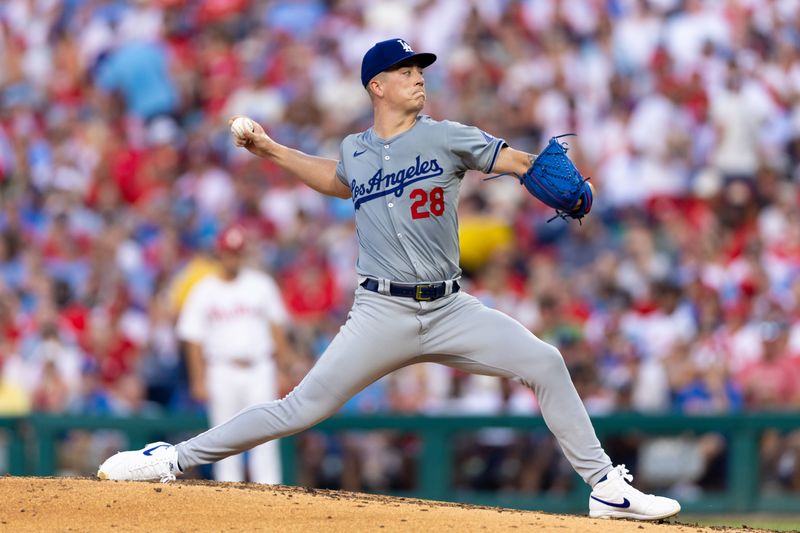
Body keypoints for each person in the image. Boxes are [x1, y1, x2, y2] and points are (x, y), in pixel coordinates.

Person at [98, 38, 680, 520]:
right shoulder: (357, 149)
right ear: (377, 86)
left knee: (546, 362)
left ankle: (605, 486)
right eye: (405, 72)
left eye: (419, 70)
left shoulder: (446, 135)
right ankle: (169, 459)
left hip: (451, 309)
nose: (418, 79)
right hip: (382, 313)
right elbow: (335, 179)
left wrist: (562, 182)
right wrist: (271, 149)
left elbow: (519, 163)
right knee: (298, 408)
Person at [176, 224, 290, 483]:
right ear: (219, 253)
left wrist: (282, 369)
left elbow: (277, 328)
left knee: (266, 436)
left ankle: (270, 494)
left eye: (237, 253)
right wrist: (198, 379)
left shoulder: (260, 284)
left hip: (260, 368)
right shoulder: (204, 289)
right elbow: (192, 337)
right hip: (222, 369)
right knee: (223, 438)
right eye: (229, 252)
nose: (233, 258)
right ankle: (228, 498)